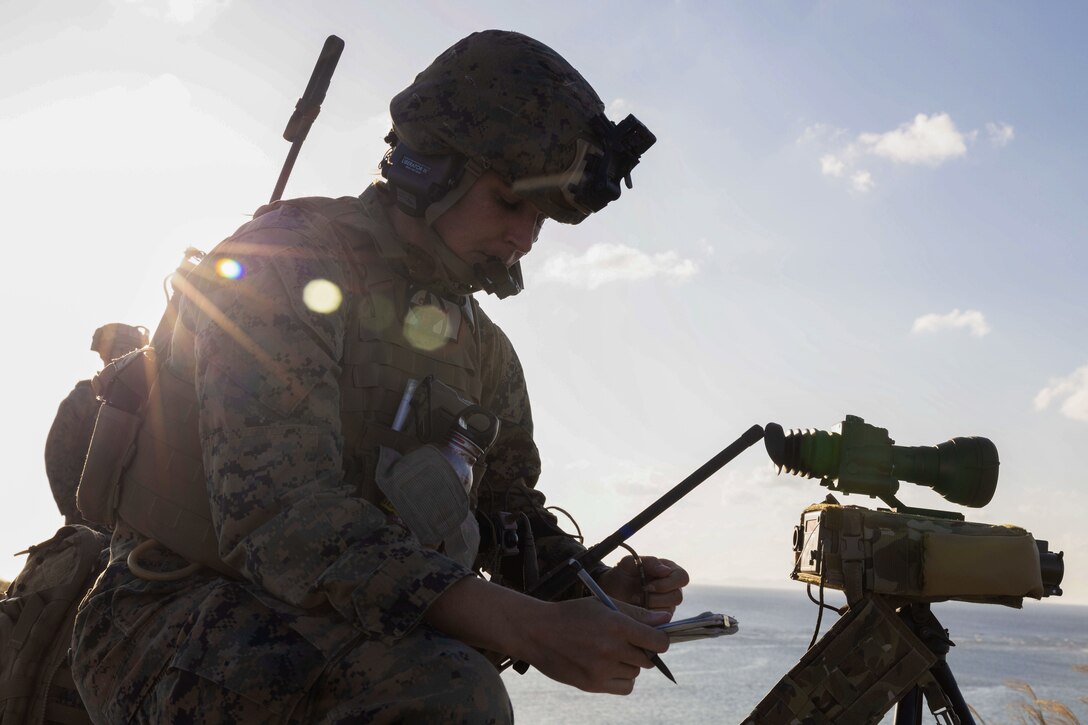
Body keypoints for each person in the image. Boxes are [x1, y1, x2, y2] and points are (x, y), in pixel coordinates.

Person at [71, 30, 688, 723]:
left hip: (331, 624)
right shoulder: (285, 264)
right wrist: (529, 628)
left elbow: (506, 512)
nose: (525, 238)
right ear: (434, 168)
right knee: (445, 692)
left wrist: (591, 586)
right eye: (510, 201)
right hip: (167, 611)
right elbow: (284, 517)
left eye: (541, 216)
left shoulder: (483, 351)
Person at [44, 322, 148, 529]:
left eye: (134, 349)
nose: (127, 353)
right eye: (121, 348)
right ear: (105, 355)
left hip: (135, 517)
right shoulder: (84, 398)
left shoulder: (149, 401)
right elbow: (58, 454)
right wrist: (77, 510)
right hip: (91, 517)